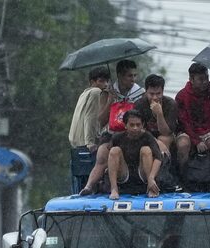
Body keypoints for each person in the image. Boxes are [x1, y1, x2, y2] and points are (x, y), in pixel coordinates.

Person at [80, 59, 144, 196]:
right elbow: (101, 122)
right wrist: (110, 101)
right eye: (129, 76)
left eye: (134, 76)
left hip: (132, 134)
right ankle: (89, 186)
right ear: (120, 76)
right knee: (102, 153)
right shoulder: (107, 92)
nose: (133, 79)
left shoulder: (140, 93)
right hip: (112, 133)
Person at [175, 63, 210, 172]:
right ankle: (182, 179)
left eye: (207, 78)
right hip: (188, 131)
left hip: (209, 131)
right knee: (183, 145)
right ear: (191, 80)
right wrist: (196, 140)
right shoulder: (181, 96)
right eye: (201, 79)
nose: (205, 82)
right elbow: (184, 122)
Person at [106, 110, 163, 199]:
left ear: (142, 125)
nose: (135, 128)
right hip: (125, 173)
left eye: (138, 125)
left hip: (143, 174)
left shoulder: (148, 137)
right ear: (125, 125)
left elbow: (158, 158)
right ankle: (114, 189)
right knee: (114, 150)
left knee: (146, 150)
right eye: (132, 125)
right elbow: (110, 159)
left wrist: (151, 178)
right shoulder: (117, 137)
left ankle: (150, 187)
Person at [68, 66, 109, 154]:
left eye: (107, 81)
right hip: (86, 144)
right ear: (92, 82)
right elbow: (90, 117)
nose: (105, 84)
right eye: (101, 81)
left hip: (76, 143)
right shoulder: (95, 92)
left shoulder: (84, 93)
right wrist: (90, 143)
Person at [134, 74, 178, 154]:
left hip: (166, 135)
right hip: (145, 135)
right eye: (151, 94)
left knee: (163, 139)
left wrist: (159, 114)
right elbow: (138, 129)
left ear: (163, 92)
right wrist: (153, 140)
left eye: (158, 94)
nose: (155, 98)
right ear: (146, 92)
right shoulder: (139, 104)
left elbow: (166, 133)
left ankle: (164, 164)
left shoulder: (171, 104)